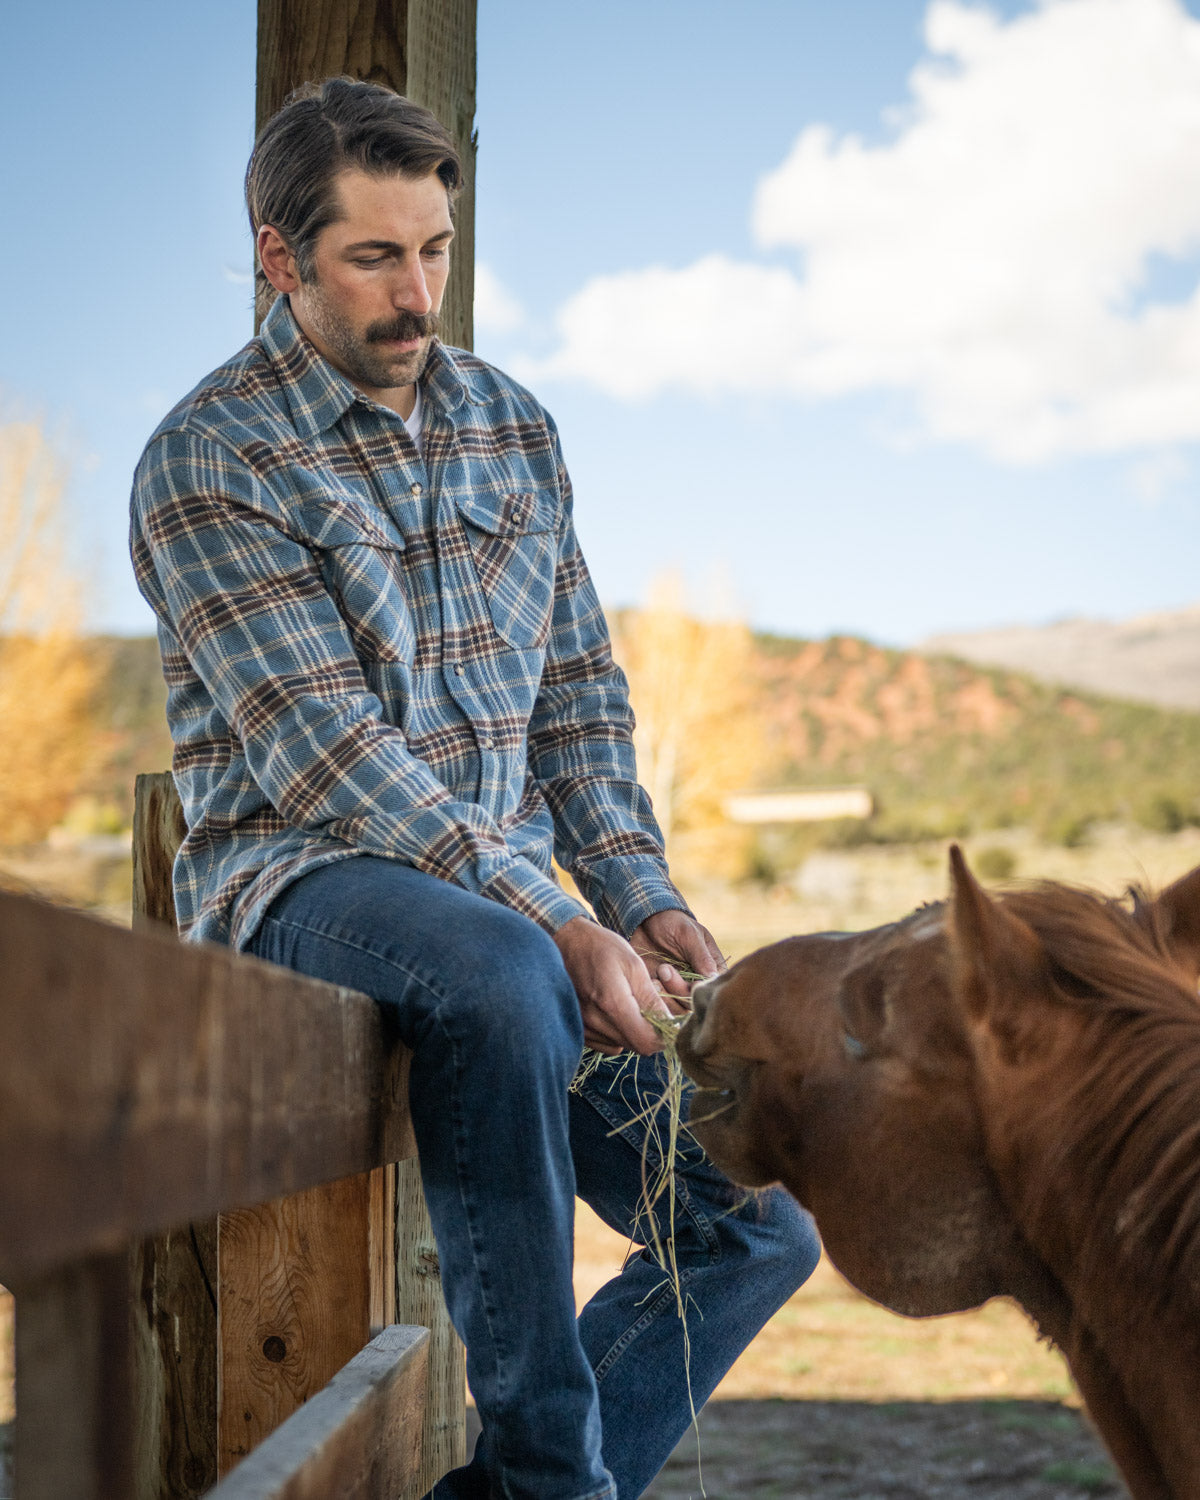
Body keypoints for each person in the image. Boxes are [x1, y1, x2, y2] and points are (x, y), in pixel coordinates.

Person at [130, 77, 820, 1499]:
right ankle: (554, 1479)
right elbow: (328, 755)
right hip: (305, 880)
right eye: (374, 257)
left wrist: (638, 897)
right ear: (279, 257)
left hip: (508, 910)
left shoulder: (514, 427)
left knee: (755, 1233)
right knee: (506, 970)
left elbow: (578, 697)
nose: (417, 293)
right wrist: (555, 917)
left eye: (435, 249)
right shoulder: (210, 458)